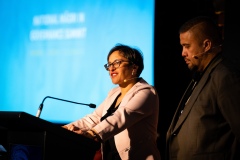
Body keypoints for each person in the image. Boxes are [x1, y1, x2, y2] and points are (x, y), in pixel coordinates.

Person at [63, 43, 161, 160]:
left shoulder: (146, 92)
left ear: (134, 67)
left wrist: (92, 133)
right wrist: (65, 129)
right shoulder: (114, 93)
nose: (111, 68)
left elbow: (121, 117)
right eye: (109, 64)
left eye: (117, 63)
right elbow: (94, 118)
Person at [166, 16, 240, 160]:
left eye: (187, 46)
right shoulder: (201, 75)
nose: (183, 53)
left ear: (206, 45)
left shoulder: (225, 77)